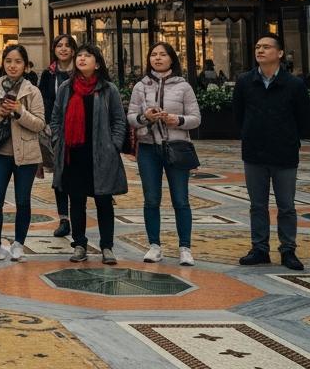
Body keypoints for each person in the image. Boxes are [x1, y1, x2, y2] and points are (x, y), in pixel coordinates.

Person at [234, 33, 309, 271]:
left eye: (266, 47)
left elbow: (303, 118)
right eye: (258, 46)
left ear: (280, 53)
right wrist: (250, 134)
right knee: (257, 205)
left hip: (284, 153)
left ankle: (288, 250)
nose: (260, 50)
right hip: (254, 153)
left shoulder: (294, 84)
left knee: (286, 205)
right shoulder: (245, 81)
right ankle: (259, 249)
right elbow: (238, 114)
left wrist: (288, 138)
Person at [49, 44, 127, 264]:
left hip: (101, 154)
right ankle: (79, 244)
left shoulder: (108, 89)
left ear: (97, 63)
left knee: (104, 201)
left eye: (88, 56)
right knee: (76, 201)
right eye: (80, 55)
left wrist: (113, 146)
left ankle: (107, 246)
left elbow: (119, 120)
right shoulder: (66, 87)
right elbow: (55, 118)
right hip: (73, 155)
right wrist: (58, 140)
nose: (82, 58)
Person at [128, 42, 200, 267]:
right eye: (153, 55)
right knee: (151, 199)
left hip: (176, 147)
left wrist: (177, 120)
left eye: (162, 54)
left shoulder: (183, 86)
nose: (157, 58)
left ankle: (185, 247)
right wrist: (145, 117)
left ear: (171, 59)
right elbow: (131, 116)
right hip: (148, 148)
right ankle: (154, 246)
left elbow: (196, 118)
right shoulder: (141, 86)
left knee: (181, 199)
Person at [0, 43, 45, 262]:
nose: (13, 65)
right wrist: (0, 112)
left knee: (22, 200)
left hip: (26, 154)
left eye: (18, 61)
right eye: (8, 61)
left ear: (25, 65)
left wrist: (19, 111)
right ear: (2, 64)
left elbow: (40, 124)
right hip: (1, 154)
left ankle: (18, 244)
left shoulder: (32, 91)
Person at [41, 34, 77, 237]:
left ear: (73, 50)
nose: (63, 49)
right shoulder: (49, 74)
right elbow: (44, 99)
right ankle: (64, 219)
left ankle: (78, 216)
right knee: (59, 174)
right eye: (59, 45)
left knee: (77, 174)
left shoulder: (81, 71)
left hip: (79, 129)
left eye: (67, 46)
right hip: (57, 131)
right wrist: (48, 124)